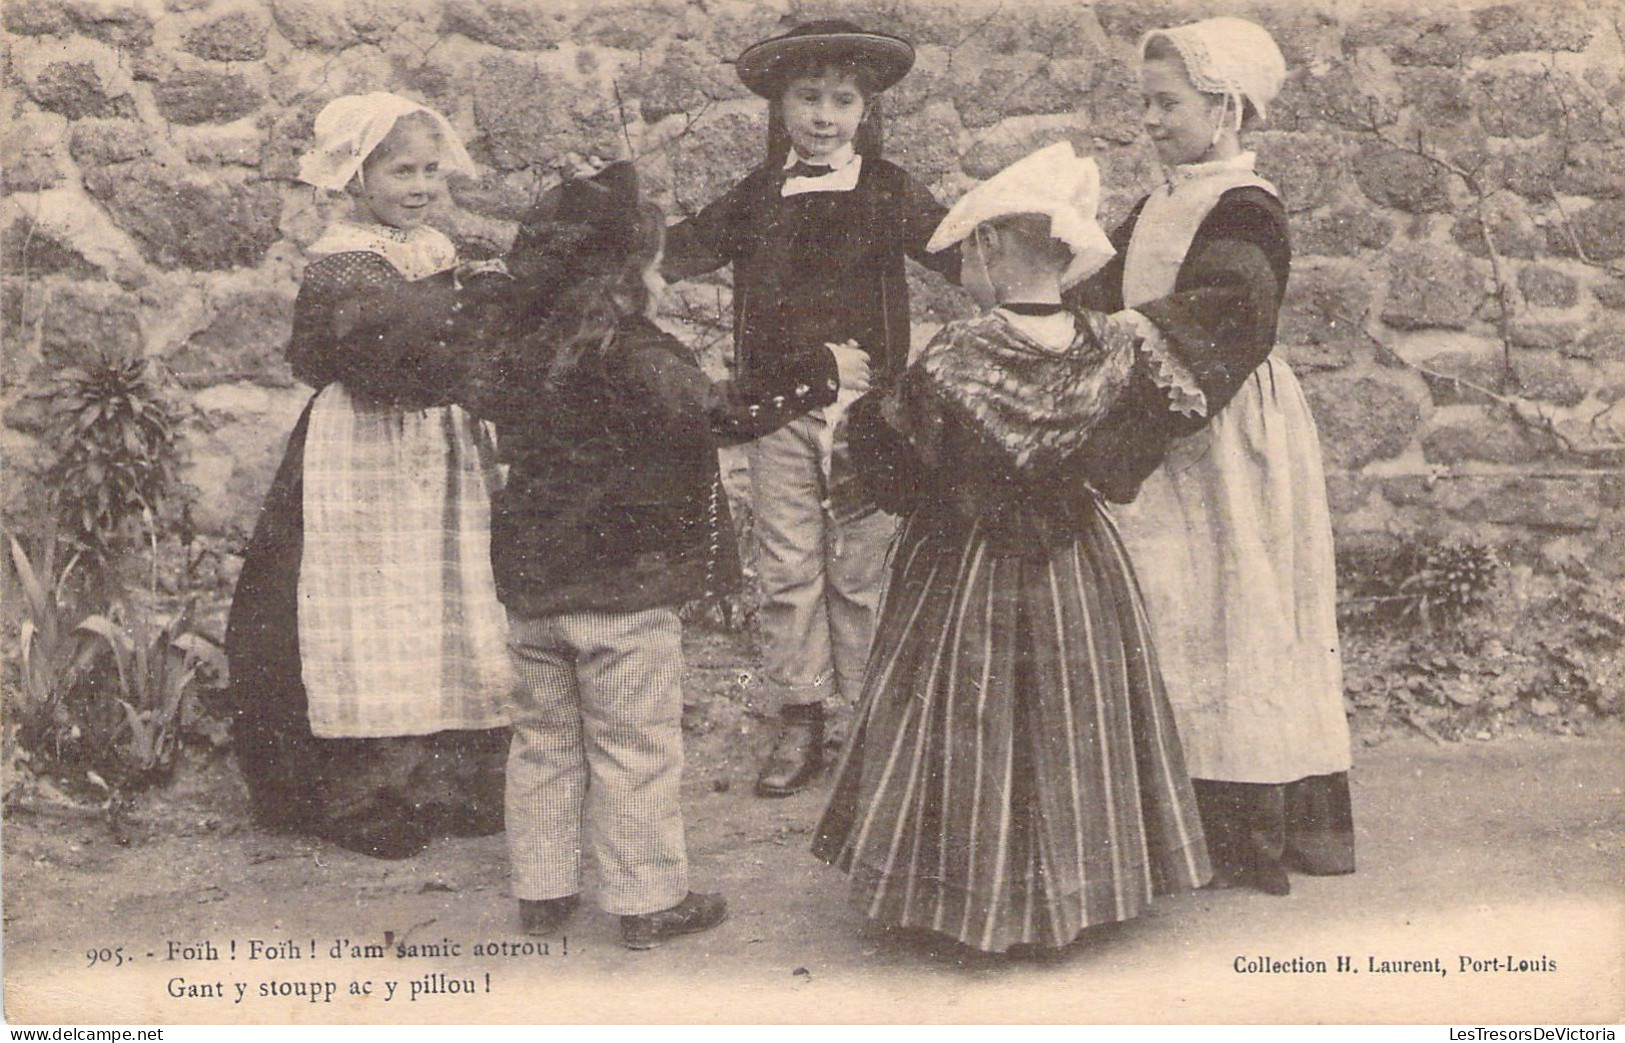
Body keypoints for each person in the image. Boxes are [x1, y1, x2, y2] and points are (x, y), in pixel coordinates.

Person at [812, 143, 1211, 954]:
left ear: (991, 248)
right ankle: (1080, 884)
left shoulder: (960, 351)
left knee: (966, 711)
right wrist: (1069, 476)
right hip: (1077, 556)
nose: (965, 263)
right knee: (1077, 710)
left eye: (969, 249)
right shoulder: (1109, 344)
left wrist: (862, 436)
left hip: (964, 560)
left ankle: (963, 893)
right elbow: (1135, 446)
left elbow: (890, 460)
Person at [471, 162, 874, 949]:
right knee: (635, 745)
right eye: (654, 264)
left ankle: (544, 889)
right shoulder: (641, 354)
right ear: (630, 278)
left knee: (544, 740)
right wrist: (819, 375)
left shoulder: (523, 350)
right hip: (625, 595)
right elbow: (721, 414)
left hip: (533, 593)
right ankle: (647, 897)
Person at [1068, 17, 1355, 895]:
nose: (1149, 120)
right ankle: (1174, 814)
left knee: (1237, 605)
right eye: (1144, 103)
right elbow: (1103, 285)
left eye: (1168, 103)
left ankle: (1248, 825)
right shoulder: (1160, 199)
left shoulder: (1245, 205)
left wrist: (1122, 339)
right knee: (1172, 605)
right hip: (1168, 418)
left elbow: (1230, 306)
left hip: (1225, 427)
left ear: (1225, 109)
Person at [663, 20, 960, 797]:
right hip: (777, 413)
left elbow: (961, 251)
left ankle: (870, 716)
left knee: (861, 569)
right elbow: (680, 248)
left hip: (869, 418)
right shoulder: (758, 196)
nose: (823, 116)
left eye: (842, 99)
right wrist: (608, 254)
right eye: (807, 98)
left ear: (866, 109)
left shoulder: (889, 189)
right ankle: (800, 714)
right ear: (780, 106)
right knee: (789, 564)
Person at [226, 93, 515, 859]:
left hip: (441, 448)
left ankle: (449, 778)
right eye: (398, 171)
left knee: (447, 588)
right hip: (365, 453)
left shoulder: (437, 247)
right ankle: (365, 788)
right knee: (369, 603)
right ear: (356, 178)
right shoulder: (344, 262)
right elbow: (388, 359)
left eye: (429, 170)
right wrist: (473, 301)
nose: (419, 186)